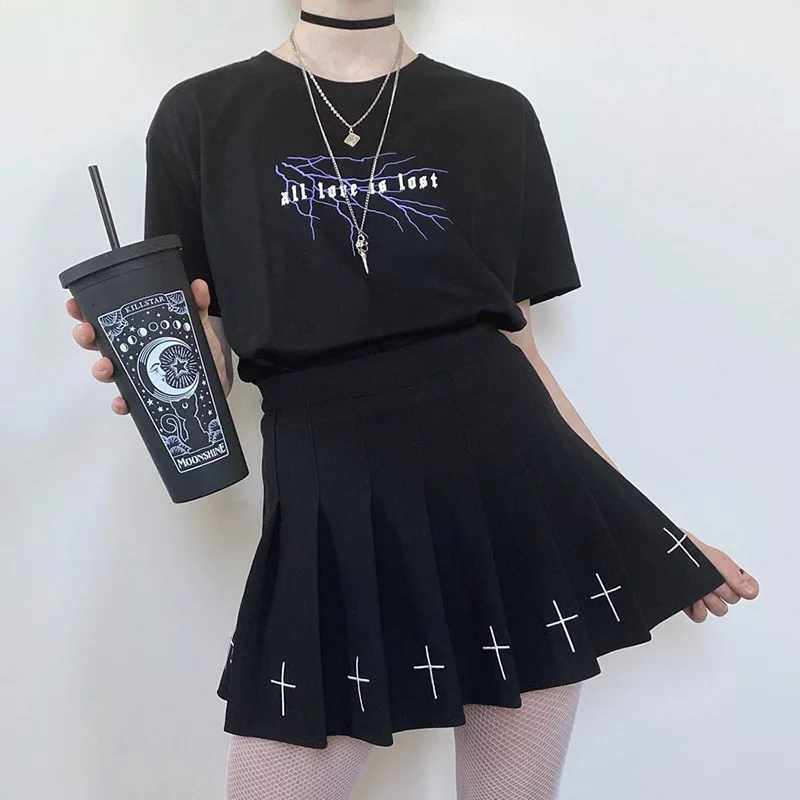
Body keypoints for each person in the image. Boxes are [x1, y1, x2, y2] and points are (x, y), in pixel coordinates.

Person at [65, 2, 760, 798]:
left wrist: (654, 532)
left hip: (511, 493)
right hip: (328, 498)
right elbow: (211, 350)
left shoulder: (496, 115)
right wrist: (162, 369)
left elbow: (518, 348)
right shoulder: (201, 115)